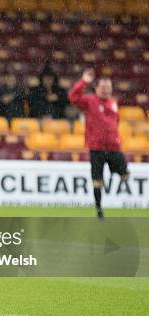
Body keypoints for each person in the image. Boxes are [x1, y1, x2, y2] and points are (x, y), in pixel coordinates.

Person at [68, 68, 129, 219]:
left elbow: (116, 122)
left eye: (108, 87)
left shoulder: (113, 103)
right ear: (96, 88)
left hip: (114, 148)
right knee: (97, 181)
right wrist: (84, 81)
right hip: (97, 148)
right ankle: (99, 210)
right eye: (103, 87)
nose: (106, 90)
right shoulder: (90, 101)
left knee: (125, 175)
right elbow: (73, 97)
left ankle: (110, 177)